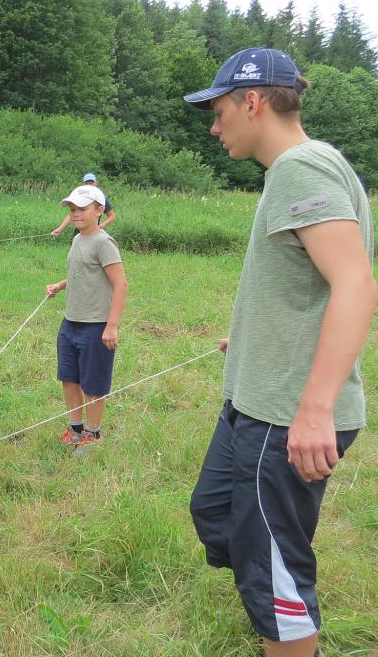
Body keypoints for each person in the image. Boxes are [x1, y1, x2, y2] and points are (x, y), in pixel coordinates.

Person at [184, 48, 377, 657]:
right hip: (255, 396)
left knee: (276, 573)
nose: (214, 127)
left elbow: (355, 284)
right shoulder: (296, 171)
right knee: (215, 513)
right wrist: (251, 337)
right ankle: (273, 617)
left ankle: (286, 633)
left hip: (286, 415)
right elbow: (308, 285)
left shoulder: (302, 168)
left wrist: (316, 410)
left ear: (252, 101)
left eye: (218, 111)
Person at [45, 184, 128, 450]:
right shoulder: (77, 239)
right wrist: (60, 285)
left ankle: (93, 434)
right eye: (72, 209)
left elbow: (121, 284)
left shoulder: (104, 242)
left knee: (93, 384)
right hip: (71, 321)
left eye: (82, 208)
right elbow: (81, 273)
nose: (76, 214)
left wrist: (111, 326)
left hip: (96, 326)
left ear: (99, 210)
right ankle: (75, 428)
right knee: (69, 378)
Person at [51, 173, 116, 237]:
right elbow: (71, 215)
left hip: (92, 233)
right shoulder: (78, 197)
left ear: (96, 183)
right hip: (78, 233)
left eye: (91, 183)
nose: (89, 185)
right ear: (83, 184)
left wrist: (100, 226)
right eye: (87, 183)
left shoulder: (100, 198)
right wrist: (59, 229)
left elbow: (111, 216)